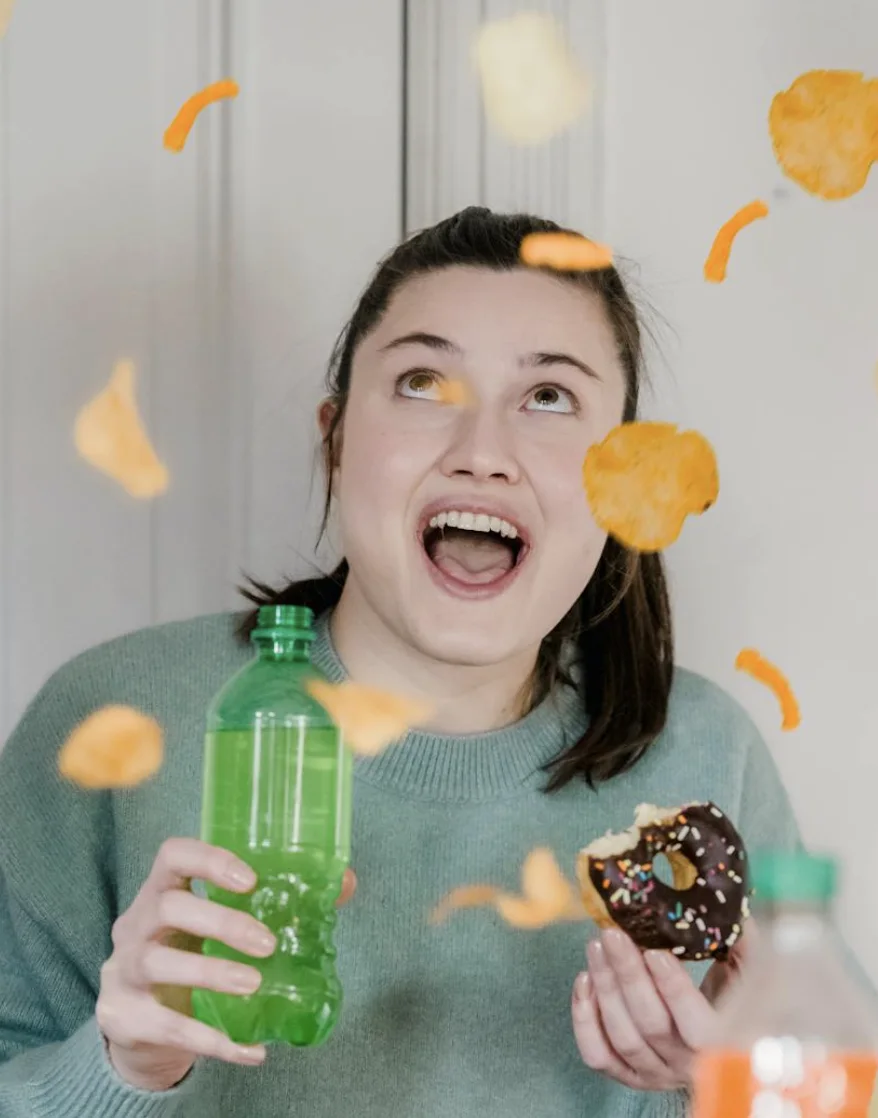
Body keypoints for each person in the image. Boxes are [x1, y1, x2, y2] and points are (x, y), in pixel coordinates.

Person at [0, 206, 805, 1118]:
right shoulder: (114, 718)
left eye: (548, 397)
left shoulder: (708, 751)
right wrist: (123, 1069)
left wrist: (731, 1093)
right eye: (424, 382)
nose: (483, 454)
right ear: (336, 439)